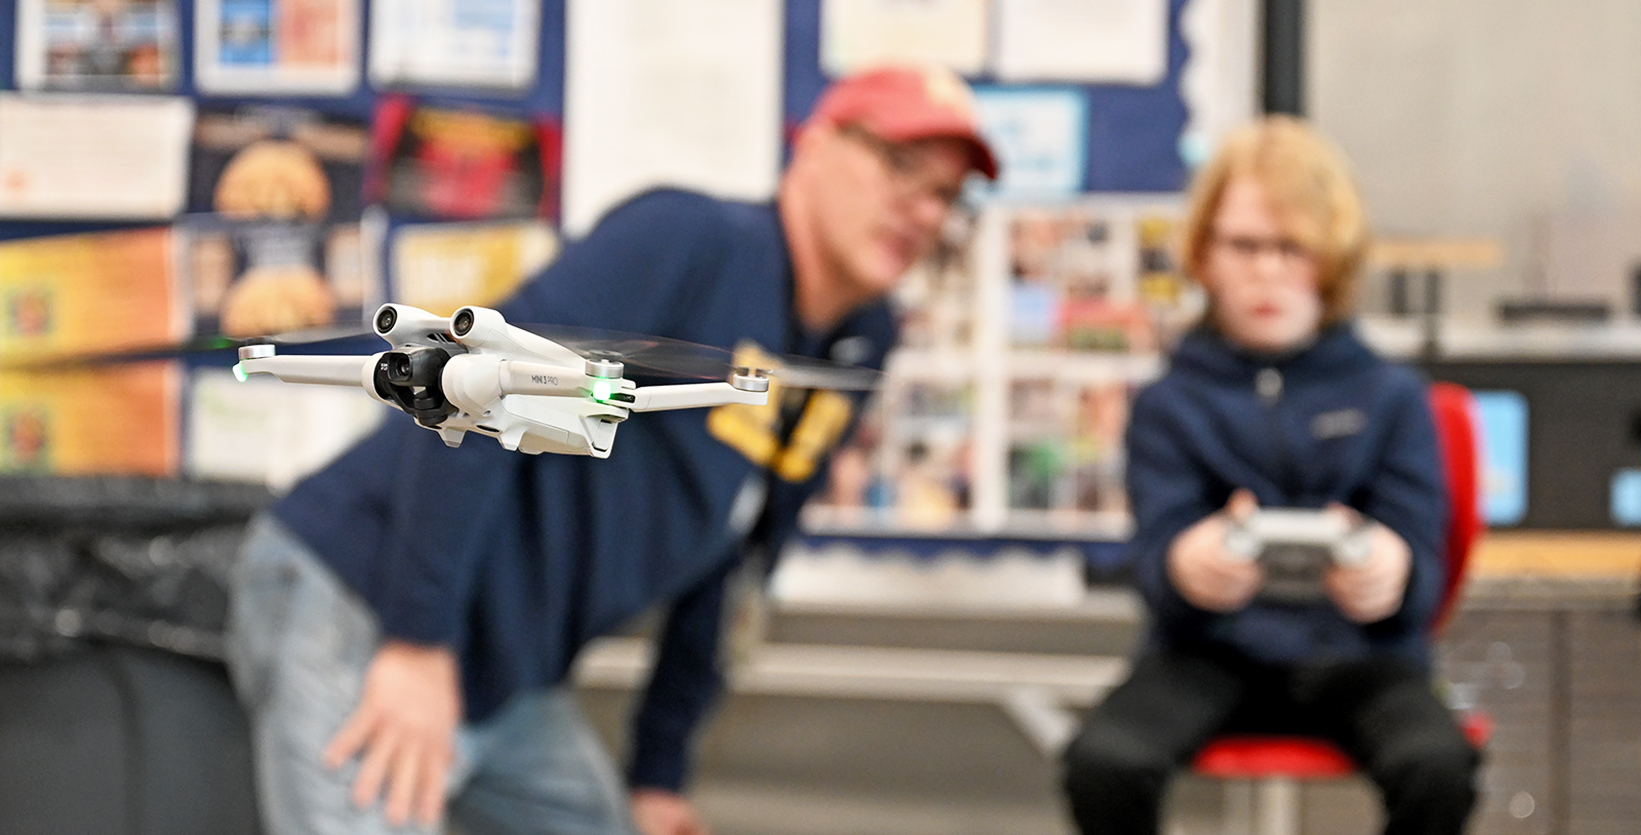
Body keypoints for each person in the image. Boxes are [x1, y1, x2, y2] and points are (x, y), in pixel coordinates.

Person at [225, 64, 997, 835]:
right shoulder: (690, 241)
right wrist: (418, 643)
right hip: (364, 594)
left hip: (508, 674)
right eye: (902, 167)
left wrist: (658, 775)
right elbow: (465, 387)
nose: (922, 210)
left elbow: (738, 557)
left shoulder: (859, 340)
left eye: (945, 194)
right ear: (816, 145)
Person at [1059, 116, 1479, 835]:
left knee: (1438, 767)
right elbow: (1157, 567)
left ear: (1333, 258)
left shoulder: (1393, 397)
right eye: (1244, 246)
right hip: (1204, 654)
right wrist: (1187, 568)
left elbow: (1423, 576)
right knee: (1103, 765)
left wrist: (1390, 572)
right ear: (1205, 253)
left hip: (1362, 656)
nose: (1267, 271)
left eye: (1293, 248)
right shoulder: (1168, 404)